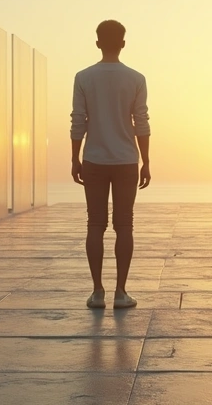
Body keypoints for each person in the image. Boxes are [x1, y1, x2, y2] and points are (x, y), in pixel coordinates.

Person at [70, 19, 151, 309]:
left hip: (94, 159)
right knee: (124, 225)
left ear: (97, 43)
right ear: (123, 43)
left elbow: (78, 120)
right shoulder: (136, 78)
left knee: (95, 224)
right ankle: (121, 292)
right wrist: (146, 161)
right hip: (127, 160)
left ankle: (96, 292)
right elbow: (141, 122)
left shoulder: (84, 77)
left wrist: (74, 158)